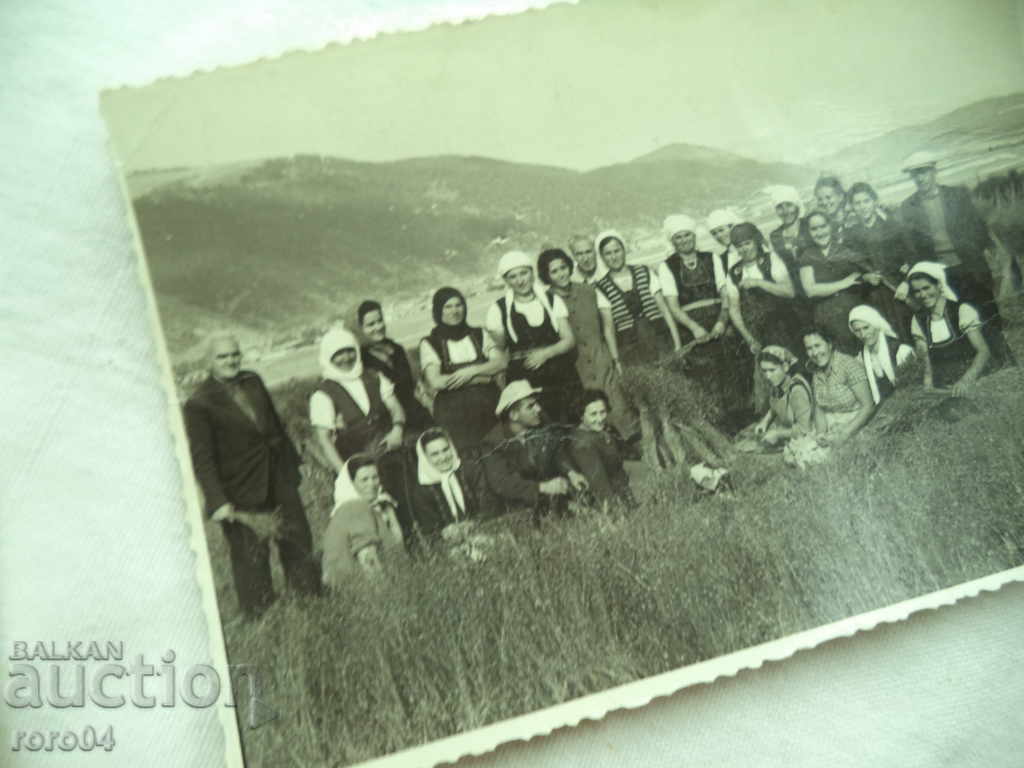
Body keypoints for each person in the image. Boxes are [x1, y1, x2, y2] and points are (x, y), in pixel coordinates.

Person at [183, 333, 320, 618]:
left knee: (297, 541)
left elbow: (275, 426)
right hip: (239, 491)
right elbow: (202, 458)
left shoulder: (253, 381)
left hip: (279, 479)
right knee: (251, 558)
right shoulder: (199, 404)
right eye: (223, 356)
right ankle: (261, 616)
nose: (231, 360)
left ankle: (311, 601)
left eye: (235, 354)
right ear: (209, 362)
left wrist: (293, 467)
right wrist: (218, 501)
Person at [899, 151, 1014, 368]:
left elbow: (977, 226)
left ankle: (1004, 359)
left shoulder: (957, 195)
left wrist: (990, 252)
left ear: (934, 171)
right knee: (957, 315)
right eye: (915, 174)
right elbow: (911, 246)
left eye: (924, 172)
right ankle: (977, 363)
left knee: (986, 310)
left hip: (970, 265)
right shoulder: (908, 207)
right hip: (939, 273)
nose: (920, 178)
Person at [537, 248, 637, 437]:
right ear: (546, 276)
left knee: (620, 407)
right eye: (554, 271)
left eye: (563, 268)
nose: (561, 274)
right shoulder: (545, 300)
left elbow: (608, 328)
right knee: (590, 416)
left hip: (602, 361)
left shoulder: (590, 290)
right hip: (575, 369)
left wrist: (615, 360)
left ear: (570, 267)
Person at [486, 250, 581, 424]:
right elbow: (499, 352)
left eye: (524, 273)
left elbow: (568, 340)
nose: (520, 280)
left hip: (561, 375)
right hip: (526, 382)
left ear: (532, 273)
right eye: (513, 276)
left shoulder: (552, 300)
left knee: (571, 422)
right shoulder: (498, 310)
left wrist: (545, 354)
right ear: (506, 281)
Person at [480, 380, 587, 523]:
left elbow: (556, 453)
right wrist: (542, 487)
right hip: (515, 509)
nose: (538, 409)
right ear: (514, 415)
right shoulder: (493, 443)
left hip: (547, 499)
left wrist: (571, 472)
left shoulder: (540, 426)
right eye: (531, 406)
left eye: (536, 403)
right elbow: (502, 484)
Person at [419, 286, 503, 454]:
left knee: (499, 449)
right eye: (448, 307)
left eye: (458, 305)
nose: (455, 311)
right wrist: (483, 377)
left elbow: (500, 362)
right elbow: (436, 381)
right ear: (438, 311)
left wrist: (469, 372)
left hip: (489, 405)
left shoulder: (479, 334)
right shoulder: (430, 343)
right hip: (455, 413)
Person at [309, 326, 406, 472]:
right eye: (338, 354)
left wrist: (397, 430)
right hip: (358, 466)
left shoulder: (374, 376)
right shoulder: (323, 394)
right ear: (328, 357)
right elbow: (325, 440)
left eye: (350, 350)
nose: (346, 358)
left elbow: (395, 407)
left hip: (391, 453)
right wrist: (345, 474)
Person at [593, 229, 682, 365]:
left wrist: (677, 343)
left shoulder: (644, 271)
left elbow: (664, 310)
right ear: (602, 257)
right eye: (608, 253)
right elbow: (609, 328)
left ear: (624, 250)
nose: (614, 257)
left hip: (660, 339)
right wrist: (616, 361)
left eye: (617, 251)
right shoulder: (601, 287)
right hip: (630, 349)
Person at [798, 211, 879, 353]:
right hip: (826, 316)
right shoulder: (807, 256)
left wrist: (866, 277)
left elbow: (865, 272)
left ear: (830, 226)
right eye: (814, 229)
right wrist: (844, 283)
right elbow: (810, 290)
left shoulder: (845, 249)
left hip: (852, 311)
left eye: (823, 226)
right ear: (808, 232)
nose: (820, 232)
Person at [907, 262, 992, 396]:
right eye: (917, 291)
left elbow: (983, 351)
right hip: (946, 386)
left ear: (939, 285)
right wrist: (928, 384)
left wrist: (966, 381)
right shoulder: (918, 320)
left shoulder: (961, 311)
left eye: (926, 288)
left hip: (974, 378)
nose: (922, 295)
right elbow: (926, 358)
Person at [321, 454, 406, 587]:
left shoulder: (372, 507)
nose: (372, 484)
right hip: (358, 587)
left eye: (375, 477)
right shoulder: (355, 507)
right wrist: (389, 595)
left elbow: (398, 546)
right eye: (364, 480)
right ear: (351, 483)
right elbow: (368, 559)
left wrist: (390, 513)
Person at [843, 182, 915, 337]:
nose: (862, 207)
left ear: (875, 201)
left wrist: (906, 282)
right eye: (857, 203)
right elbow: (851, 269)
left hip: (899, 290)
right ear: (852, 207)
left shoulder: (893, 226)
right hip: (873, 296)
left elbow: (911, 256)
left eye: (866, 201)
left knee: (910, 331)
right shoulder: (851, 235)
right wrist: (866, 277)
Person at [357, 300, 433, 435]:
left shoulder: (396, 349)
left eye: (380, 321)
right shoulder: (361, 359)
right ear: (361, 328)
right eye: (370, 325)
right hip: (389, 422)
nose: (377, 327)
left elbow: (414, 384)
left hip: (416, 413)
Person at [657, 214, 729, 345]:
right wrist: (695, 328)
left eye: (687, 235)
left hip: (719, 320)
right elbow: (673, 307)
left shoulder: (712, 257)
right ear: (672, 241)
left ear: (694, 236)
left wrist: (722, 321)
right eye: (678, 237)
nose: (684, 240)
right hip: (690, 326)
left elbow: (725, 294)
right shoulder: (666, 266)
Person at [409, 427, 485, 546]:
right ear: (425, 458)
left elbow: (488, 503)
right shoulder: (422, 490)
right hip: (451, 545)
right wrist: (447, 533)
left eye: (445, 450)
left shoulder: (470, 470)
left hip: (484, 530)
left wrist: (474, 523)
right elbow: (431, 530)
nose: (443, 457)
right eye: (435, 454)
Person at [803, 327, 875, 444]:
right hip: (831, 424)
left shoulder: (849, 365)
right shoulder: (816, 371)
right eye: (809, 348)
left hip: (855, 424)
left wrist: (845, 433)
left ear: (829, 344)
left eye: (818, 346)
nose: (815, 353)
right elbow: (819, 407)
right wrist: (821, 433)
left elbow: (868, 406)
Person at [567, 389, 636, 506]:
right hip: (605, 502)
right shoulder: (583, 444)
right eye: (593, 414)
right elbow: (600, 485)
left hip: (621, 492)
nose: (600, 419)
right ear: (581, 416)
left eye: (602, 412)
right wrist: (617, 512)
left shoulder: (600, 431)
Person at [743, 345, 814, 450]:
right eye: (765, 370)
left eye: (772, 370)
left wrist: (778, 434)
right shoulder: (777, 385)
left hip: (803, 437)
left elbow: (805, 429)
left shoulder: (797, 390)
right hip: (786, 429)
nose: (768, 376)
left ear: (785, 367)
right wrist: (765, 421)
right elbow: (775, 406)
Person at [848, 305, 915, 405]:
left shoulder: (901, 351)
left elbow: (915, 388)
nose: (863, 334)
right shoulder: (861, 359)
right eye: (857, 330)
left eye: (866, 328)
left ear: (875, 324)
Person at [767, 185, 807, 285]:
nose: (785, 211)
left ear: (797, 205)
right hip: (795, 289)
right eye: (780, 207)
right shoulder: (774, 237)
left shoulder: (809, 225)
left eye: (789, 205)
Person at [812, 176, 856, 242]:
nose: (824, 202)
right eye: (820, 199)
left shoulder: (852, 219)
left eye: (828, 197)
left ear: (840, 197)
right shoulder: (821, 223)